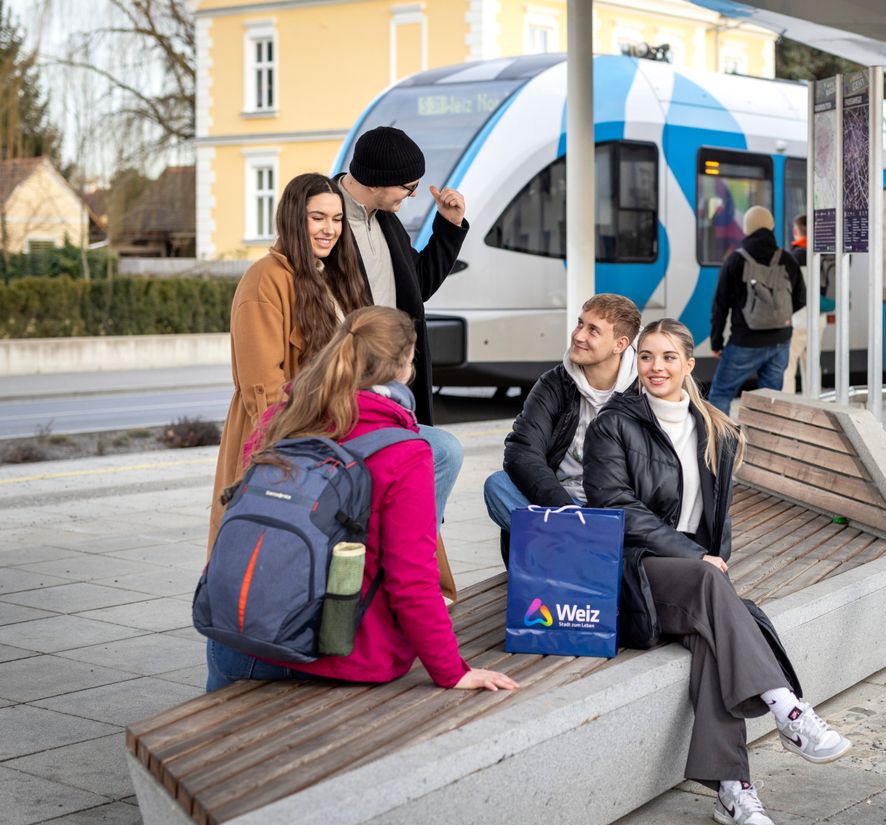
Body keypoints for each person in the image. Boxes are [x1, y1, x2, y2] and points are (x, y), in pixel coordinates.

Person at [583, 319, 851, 825]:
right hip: (634, 573)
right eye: (646, 357)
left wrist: (707, 557)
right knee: (714, 590)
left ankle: (734, 788)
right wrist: (696, 556)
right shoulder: (612, 424)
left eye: (666, 358)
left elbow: (718, 516)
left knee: (713, 635)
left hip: (696, 581)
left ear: (689, 364)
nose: (655, 367)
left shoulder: (715, 428)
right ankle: (789, 709)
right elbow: (614, 506)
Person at [205, 306, 519, 694]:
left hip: (235, 637)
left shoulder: (281, 418)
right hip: (339, 657)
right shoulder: (404, 452)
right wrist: (452, 671)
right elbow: (412, 580)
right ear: (404, 364)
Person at [208, 172, 370, 550]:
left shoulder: (334, 275)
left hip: (342, 425)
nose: (330, 229)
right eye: (318, 218)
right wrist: (300, 450)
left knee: (428, 455)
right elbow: (263, 388)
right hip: (294, 435)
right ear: (295, 219)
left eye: (337, 219)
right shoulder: (265, 279)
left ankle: (408, 590)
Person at [335, 125, 469, 525]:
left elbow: (419, 284)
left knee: (421, 465)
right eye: (408, 188)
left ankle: (412, 553)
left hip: (394, 381)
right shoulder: (325, 215)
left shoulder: (386, 221)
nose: (412, 196)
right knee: (425, 459)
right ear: (378, 181)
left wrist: (447, 225)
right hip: (348, 385)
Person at [483, 294, 641, 562]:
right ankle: (589, 552)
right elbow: (522, 452)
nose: (579, 335)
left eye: (593, 330)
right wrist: (569, 513)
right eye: (580, 324)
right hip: (558, 503)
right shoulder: (554, 383)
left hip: (614, 509)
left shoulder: (641, 392)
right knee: (497, 486)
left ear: (620, 344)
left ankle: (567, 552)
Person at [708, 206, 806, 414]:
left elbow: (720, 305)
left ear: (746, 229)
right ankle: (765, 443)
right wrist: (778, 316)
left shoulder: (736, 260)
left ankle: (722, 443)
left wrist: (716, 341)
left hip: (745, 340)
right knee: (770, 399)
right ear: (771, 227)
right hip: (781, 340)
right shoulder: (788, 259)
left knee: (721, 393)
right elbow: (800, 298)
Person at [782, 214, 835, 395]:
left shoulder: (791, 258)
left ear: (796, 231)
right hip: (817, 319)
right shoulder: (822, 256)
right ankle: (814, 403)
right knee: (812, 364)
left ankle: (786, 407)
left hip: (796, 320)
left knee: (788, 367)